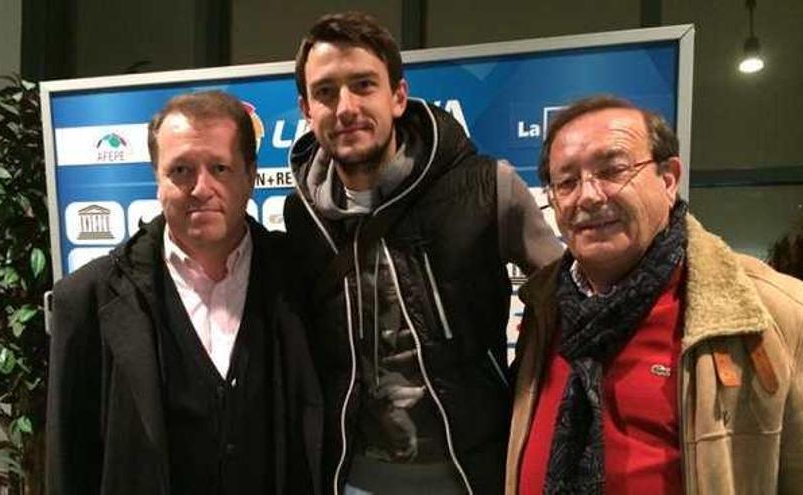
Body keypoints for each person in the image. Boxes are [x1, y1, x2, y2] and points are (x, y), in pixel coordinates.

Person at [284, 12, 563, 494]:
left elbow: (571, 299)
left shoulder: (485, 187)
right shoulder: (302, 215)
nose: (346, 106)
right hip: (350, 476)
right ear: (307, 110)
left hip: (471, 472)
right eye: (326, 92)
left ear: (398, 97)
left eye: (363, 85)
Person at [505, 95, 803, 494]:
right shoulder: (544, 308)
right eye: (567, 182)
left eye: (612, 170)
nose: (589, 196)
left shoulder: (775, 312)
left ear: (668, 179)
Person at [46, 90, 322, 494]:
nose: (200, 187)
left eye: (220, 168)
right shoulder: (87, 299)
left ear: (250, 174)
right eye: (181, 170)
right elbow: (69, 463)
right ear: (157, 178)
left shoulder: (302, 281)